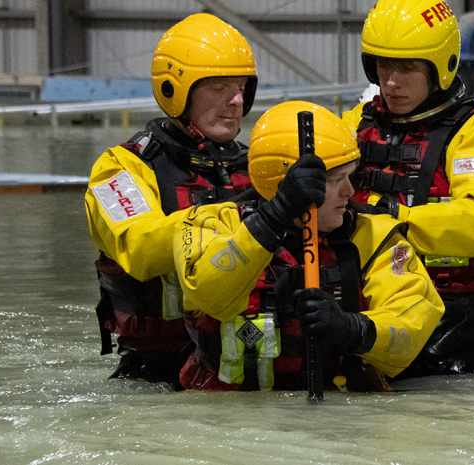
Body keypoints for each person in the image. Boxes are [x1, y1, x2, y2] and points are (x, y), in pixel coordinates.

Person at [343, 0, 474, 376]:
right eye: (382, 65)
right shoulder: (353, 124)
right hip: (367, 307)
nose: (391, 81)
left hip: (458, 317)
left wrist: (387, 220)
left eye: (407, 67)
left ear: (441, 66)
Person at [173, 101, 444, 391]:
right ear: (282, 183)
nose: (350, 191)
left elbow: (415, 320)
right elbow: (208, 292)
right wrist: (276, 214)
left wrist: (350, 327)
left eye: (351, 176)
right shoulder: (209, 224)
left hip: (337, 419)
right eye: (335, 180)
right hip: (232, 422)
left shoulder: (374, 235)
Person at [85, 13, 258, 389]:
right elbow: (140, 245)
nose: (236, 101)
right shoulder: (119, 168)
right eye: (218, 88)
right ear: (173, 90)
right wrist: (245, 215)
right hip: (155, 376)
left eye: (243, 87)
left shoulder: (260, 166)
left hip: (240, 368)